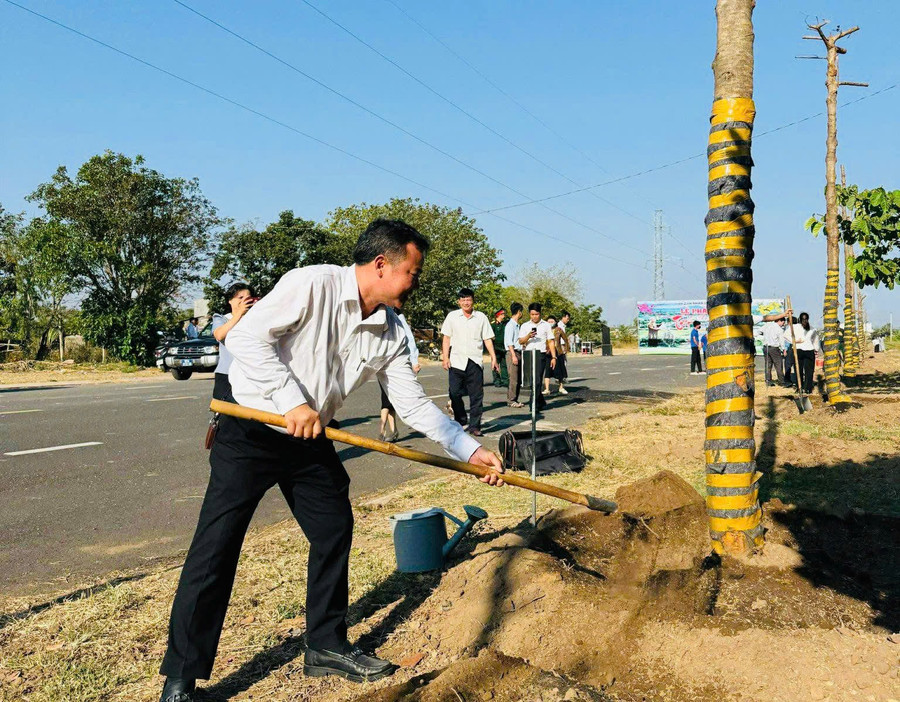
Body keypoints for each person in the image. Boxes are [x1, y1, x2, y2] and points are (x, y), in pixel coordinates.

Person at [157, 219, 505, 702]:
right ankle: (181, 677)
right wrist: (289, 402)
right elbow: (244, 340)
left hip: (310, 435)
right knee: (217, 544)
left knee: (333, 526)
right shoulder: (312, 284)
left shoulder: (389, 330)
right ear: (382, 265)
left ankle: (324, 643)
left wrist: (470, 448)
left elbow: (412, 405)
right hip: (251, 428)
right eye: (413, 272)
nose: (416, 283)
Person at [440, 288, 499, 437]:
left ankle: (475, 426)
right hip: (456, 361)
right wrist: (445, 357)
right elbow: (446, 338)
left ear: (473, 301)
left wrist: (493, 357)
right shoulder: (452, 317)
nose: (466, 302)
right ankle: (460, 419)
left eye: (469, 299)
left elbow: (487, 339)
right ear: (459, 302)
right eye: (463, 300)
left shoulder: (481, 317)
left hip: (474, 361)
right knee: (454, 392)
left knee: (476, 395)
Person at [378, 310, 419, 442]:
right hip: (383, 364)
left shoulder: (398, 318)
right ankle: (390, 430)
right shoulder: (380, 316)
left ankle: (385, 429)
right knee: (388, 398)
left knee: (388, 399)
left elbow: (410, 340)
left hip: (397, 364)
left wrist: (414, 361)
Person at [211, 283, 256, 401]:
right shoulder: (221, 318)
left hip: (249, 374)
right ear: (230, 301)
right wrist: (239, 314)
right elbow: (219, 335)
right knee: (224, 412)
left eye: (248, 298)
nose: (244, 301)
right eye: (240, 298)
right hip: (226, 374)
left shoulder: (255, 318)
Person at [518, 303, 557, 412]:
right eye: (532, 314)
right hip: (528, 354)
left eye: (536, 314)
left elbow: (551, 341)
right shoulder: (525, 325)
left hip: (541, 355)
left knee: (538, 380)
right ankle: (541, 401)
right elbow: (521, 341)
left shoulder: (546, 325)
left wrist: (554, 357)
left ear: (540, 314)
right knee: (531, 381)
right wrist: (528, 336)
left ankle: (533, 404)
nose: (534, 316)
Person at [787, 312, 820, 394]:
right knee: (798, 370)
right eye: (803, 319)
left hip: (809, 351)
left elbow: (816, 340)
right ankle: (799, 387)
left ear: (808, 319)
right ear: (800, 319)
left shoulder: (812, 329)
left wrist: (816, 349)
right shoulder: (795, 327)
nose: (804, 321)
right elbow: (786, 335)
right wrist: (794, 341)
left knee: (809, 371)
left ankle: (808, 388)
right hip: (798, 350)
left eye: (806, 319)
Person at [504, 302, 525, 408]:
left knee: (518, 378)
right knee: (513, 378)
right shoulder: (510, 325)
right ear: (519, 312)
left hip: (519, 351)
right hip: (512, 352)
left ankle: (515, 399)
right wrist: (513, 356)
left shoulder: (517, 326)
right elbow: (509, 342)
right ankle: (511, 400)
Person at [547, 315, 570, 394]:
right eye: (549, 322)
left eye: (552, 321)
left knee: (560, 371)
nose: (550, 323)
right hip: (548, 352)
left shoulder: (558, 330)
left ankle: (561, 387)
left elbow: (565, 339)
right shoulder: (545, 330)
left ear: (555, 322)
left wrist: (566, 349)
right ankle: (547, 389)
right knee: (547, 371)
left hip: (558, 351)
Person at [762, 316, 787, 387]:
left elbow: (759, 331)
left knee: (768, 365)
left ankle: (768, 380)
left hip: (766, 347)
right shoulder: (779, 329)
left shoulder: (767, 325)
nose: (783, 324)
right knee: (778, 365)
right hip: (774, 348)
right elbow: (782, 341)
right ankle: (782, 381)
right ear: (779, 321)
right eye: (783, 322)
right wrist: (784, 350)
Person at [490, 309, 509, 388]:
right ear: (498, 315)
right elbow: (490, 337)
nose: (504, 316)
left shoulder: (505, 324)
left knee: (504, 365)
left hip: (503, 348)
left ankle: (505, 380)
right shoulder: (493, 325)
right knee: (495, 364)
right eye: (502, 314)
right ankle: (497, 380)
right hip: (496, 348)